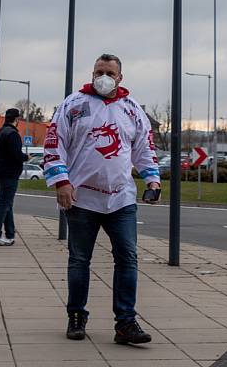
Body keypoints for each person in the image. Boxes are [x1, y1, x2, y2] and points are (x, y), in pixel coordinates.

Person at [43, 54, 161, 345]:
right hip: (81, 198)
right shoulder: (73, 105)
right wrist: (61, 181)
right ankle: (76, 316)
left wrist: (152, 179)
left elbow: (144, 148)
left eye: (109, 72)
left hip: (121, 199)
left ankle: (125, 322)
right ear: (92, 73)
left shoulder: (132, 110)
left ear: (120, 77)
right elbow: (54, 144)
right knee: (79, 259)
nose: (103, 76)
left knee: (127, 258)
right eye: (99, 71)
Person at [0, 108, 28, 246]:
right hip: (8, 175)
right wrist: (26, 157)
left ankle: (10, 235)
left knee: (7, 204)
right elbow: (16, 155)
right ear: (17, 120)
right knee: (4, 204)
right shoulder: (12, 134)